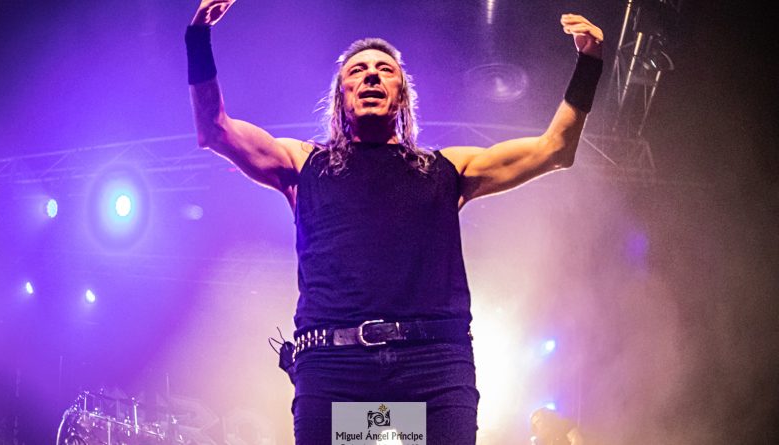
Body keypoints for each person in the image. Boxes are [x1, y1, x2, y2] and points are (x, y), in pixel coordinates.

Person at [185, 1, 603, 443]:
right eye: (358, 70)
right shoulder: (303, 164)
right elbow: (216, 130)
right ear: (341, 96)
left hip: (432, 369)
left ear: (401, 95)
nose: (371, 75)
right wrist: (198, 37)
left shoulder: (447, 168)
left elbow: (555, 149)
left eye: (384, 70)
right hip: (336, 369)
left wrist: (590, 62)